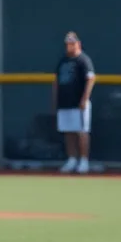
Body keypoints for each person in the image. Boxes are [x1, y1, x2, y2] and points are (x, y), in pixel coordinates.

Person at [51, 31, 95, 174]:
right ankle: (72, 159)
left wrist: (84, 99)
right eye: (68, 44)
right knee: (68, 132)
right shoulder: (62, 61)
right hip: (65, 103)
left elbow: (90, 79)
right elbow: (56, 82)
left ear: (78, 44)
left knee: (81, 132)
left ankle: (84, 161)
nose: (70, 46)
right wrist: (55, 99)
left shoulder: (83, 60)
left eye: (72, 43)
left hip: (79, 103)